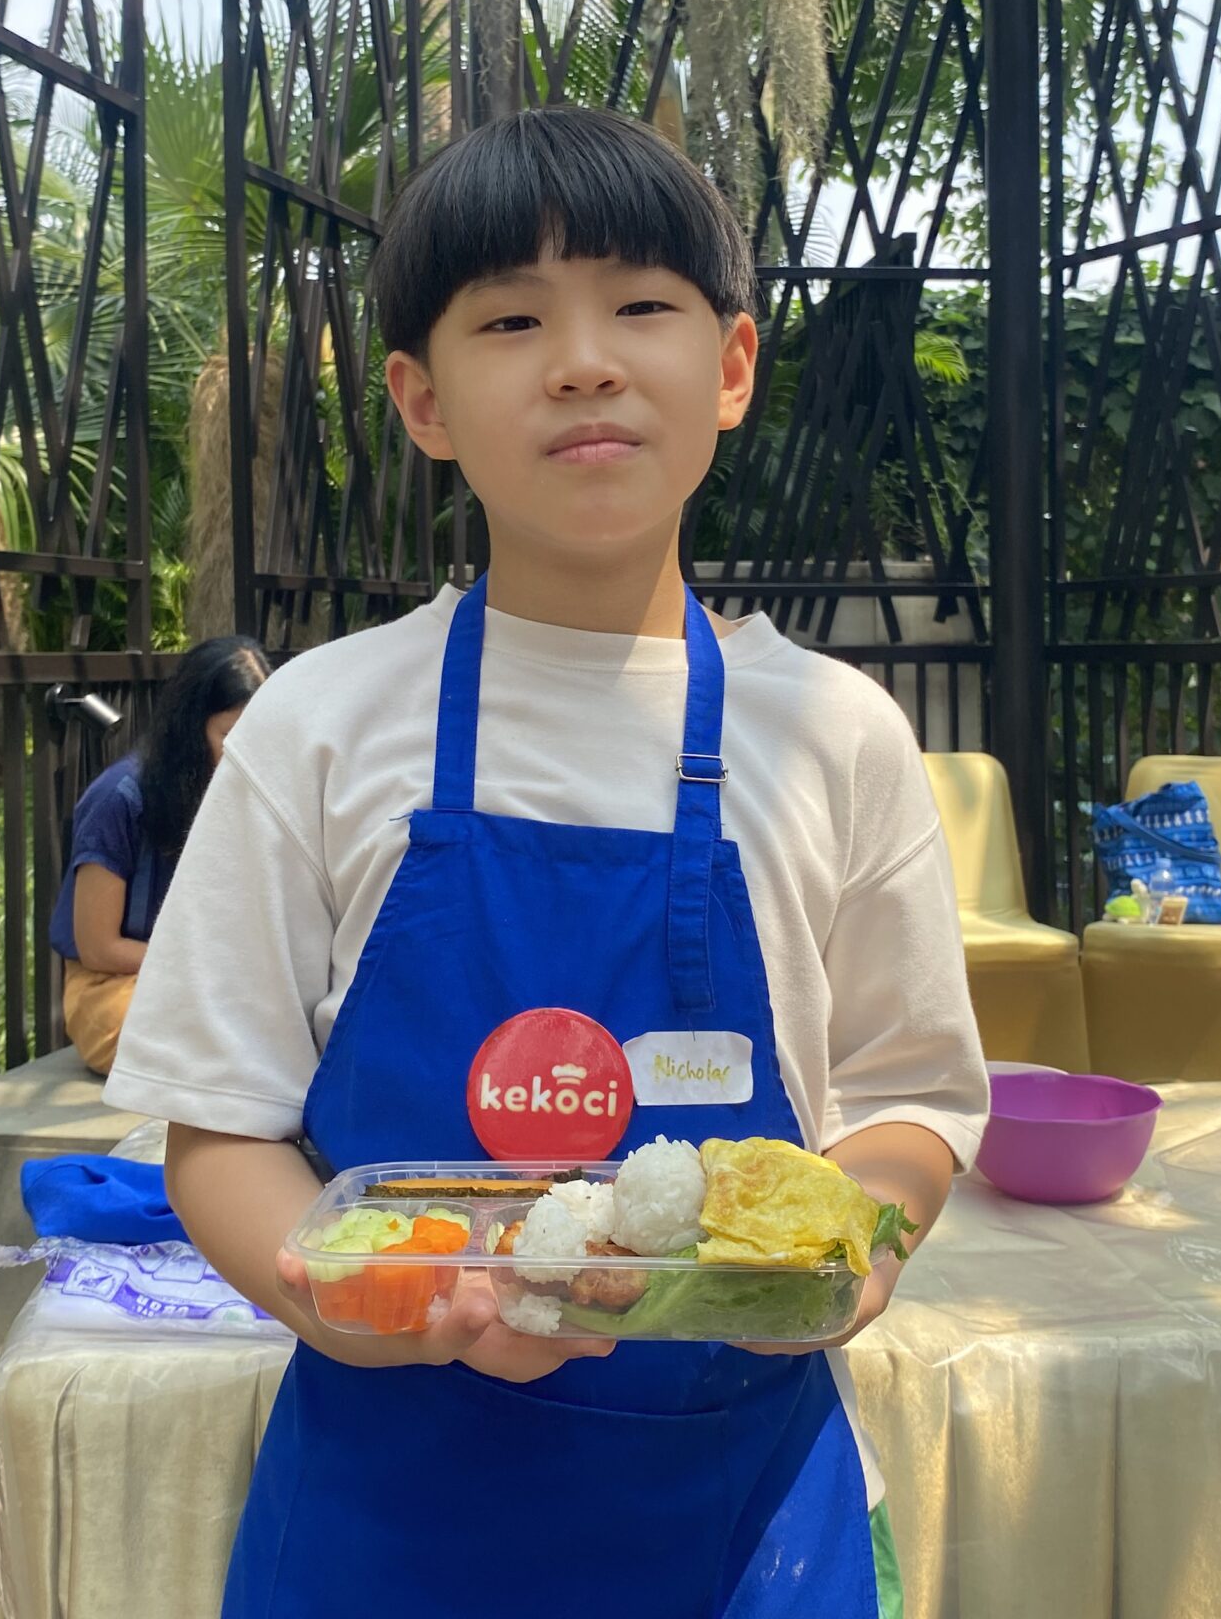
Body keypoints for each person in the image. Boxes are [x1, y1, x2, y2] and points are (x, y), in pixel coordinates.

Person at [103, 107, 985, 1618]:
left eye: (640, 306)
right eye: (511, 321)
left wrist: (845, 1256)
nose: (582, 362)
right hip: (386, 1513)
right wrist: (368, 1311)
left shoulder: (836, 734)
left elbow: (911, 1098)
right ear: (422, 399)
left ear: (732, 367)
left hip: (743, 1522)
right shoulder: (321, 724)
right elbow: (222, 1132)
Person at [51, 635, 270, 1073]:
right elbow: (98, 949)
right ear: (191, 728)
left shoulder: (250, 793)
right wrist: (204, 967)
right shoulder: (117, 799)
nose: (245, 755)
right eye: (230, 737)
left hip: (215, 982)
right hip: (115, 986)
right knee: (209, 1037)